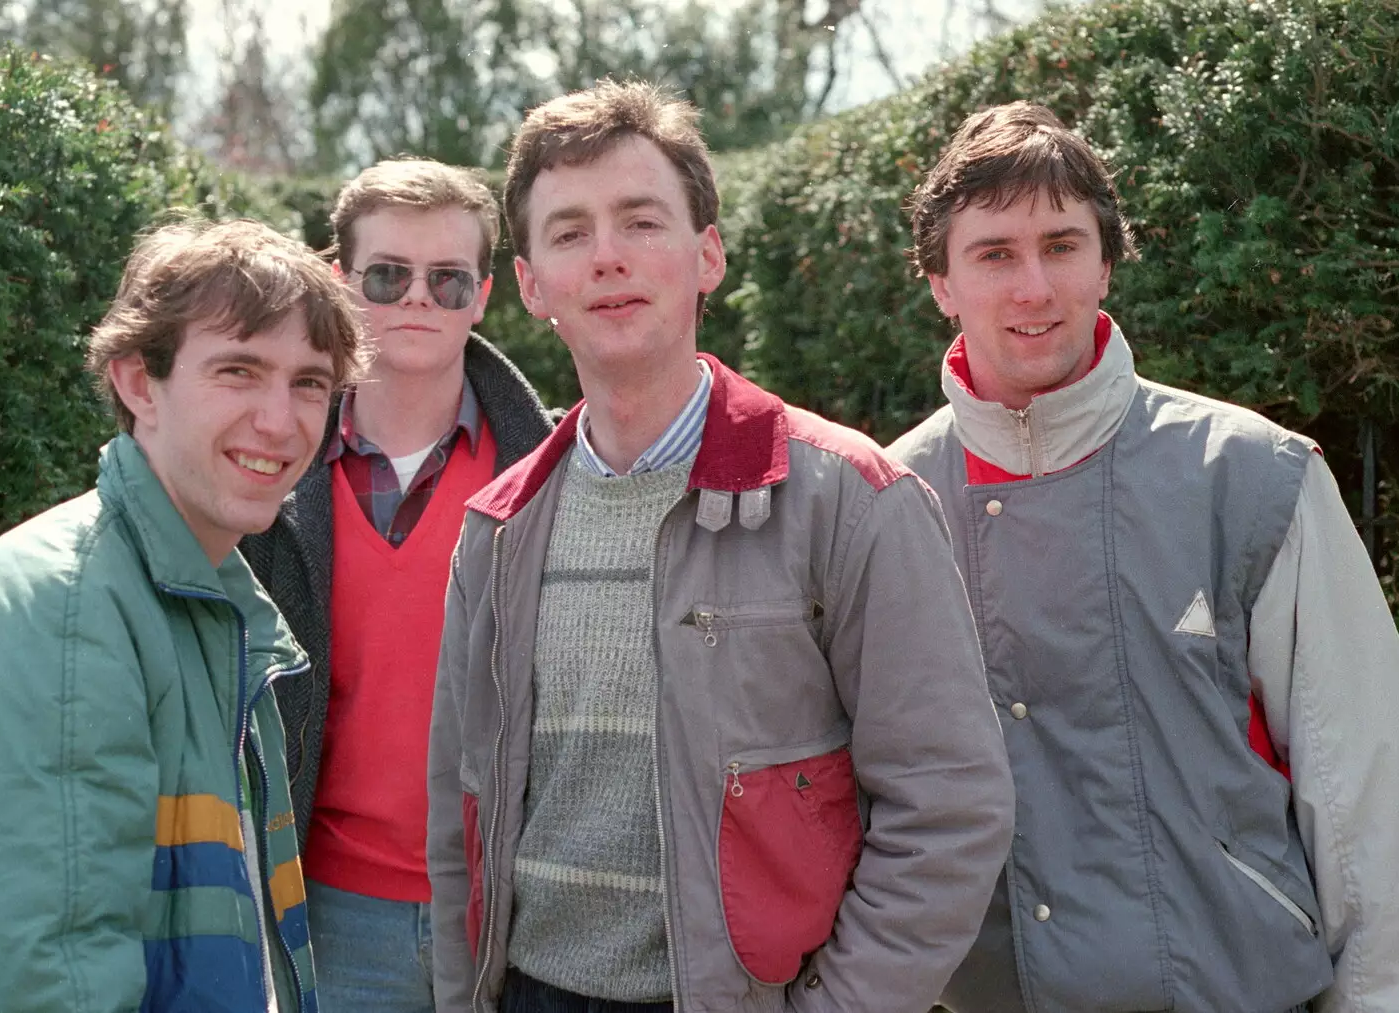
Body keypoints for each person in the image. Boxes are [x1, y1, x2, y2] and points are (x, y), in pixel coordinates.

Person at [425, 80, 1015, 1013]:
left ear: (708, 255)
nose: (608, 256)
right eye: (570, 232)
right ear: (532, 283)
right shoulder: (498, 527)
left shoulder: (849, 499)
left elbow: (949, 809)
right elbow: (460, 821)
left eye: (641, 221)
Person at [886, 101, 1399, 1012]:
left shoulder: (1251, 475)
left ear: (1107, 261)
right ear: (941, 283)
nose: (1033, 286)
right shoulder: (887, 504)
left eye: (1063, 244)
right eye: (994, 253)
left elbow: (1370, 806)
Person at [0, 218, 367, 1012]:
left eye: (309, 382)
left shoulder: (211, 602)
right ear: (139, 383)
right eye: (238, 370)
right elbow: (54, 987)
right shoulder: (61, 613)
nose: (282, 420)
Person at [240, 158, 553, 1013]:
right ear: (340, 282)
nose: (418, 298)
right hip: (331, 913)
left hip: (517, 914)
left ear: (485, 295)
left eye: (448, 280)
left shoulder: (559, 470)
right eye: (387, 274)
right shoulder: (261, 475)